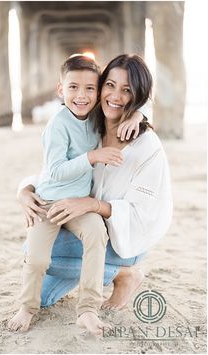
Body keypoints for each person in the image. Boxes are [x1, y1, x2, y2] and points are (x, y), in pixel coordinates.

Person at [17, 54, 172, 325]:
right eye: (109, 85)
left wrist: (92, 205)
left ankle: (125, 274)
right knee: (36, 271)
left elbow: (145, 213)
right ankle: (104, 274)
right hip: (79, 219)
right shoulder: (91, 123)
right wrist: (25, 189)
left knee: (43, 254)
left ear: (138, 95)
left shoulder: (147, 147)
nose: (115, 95)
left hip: (125, 237)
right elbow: (57, 170)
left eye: (127, 91)